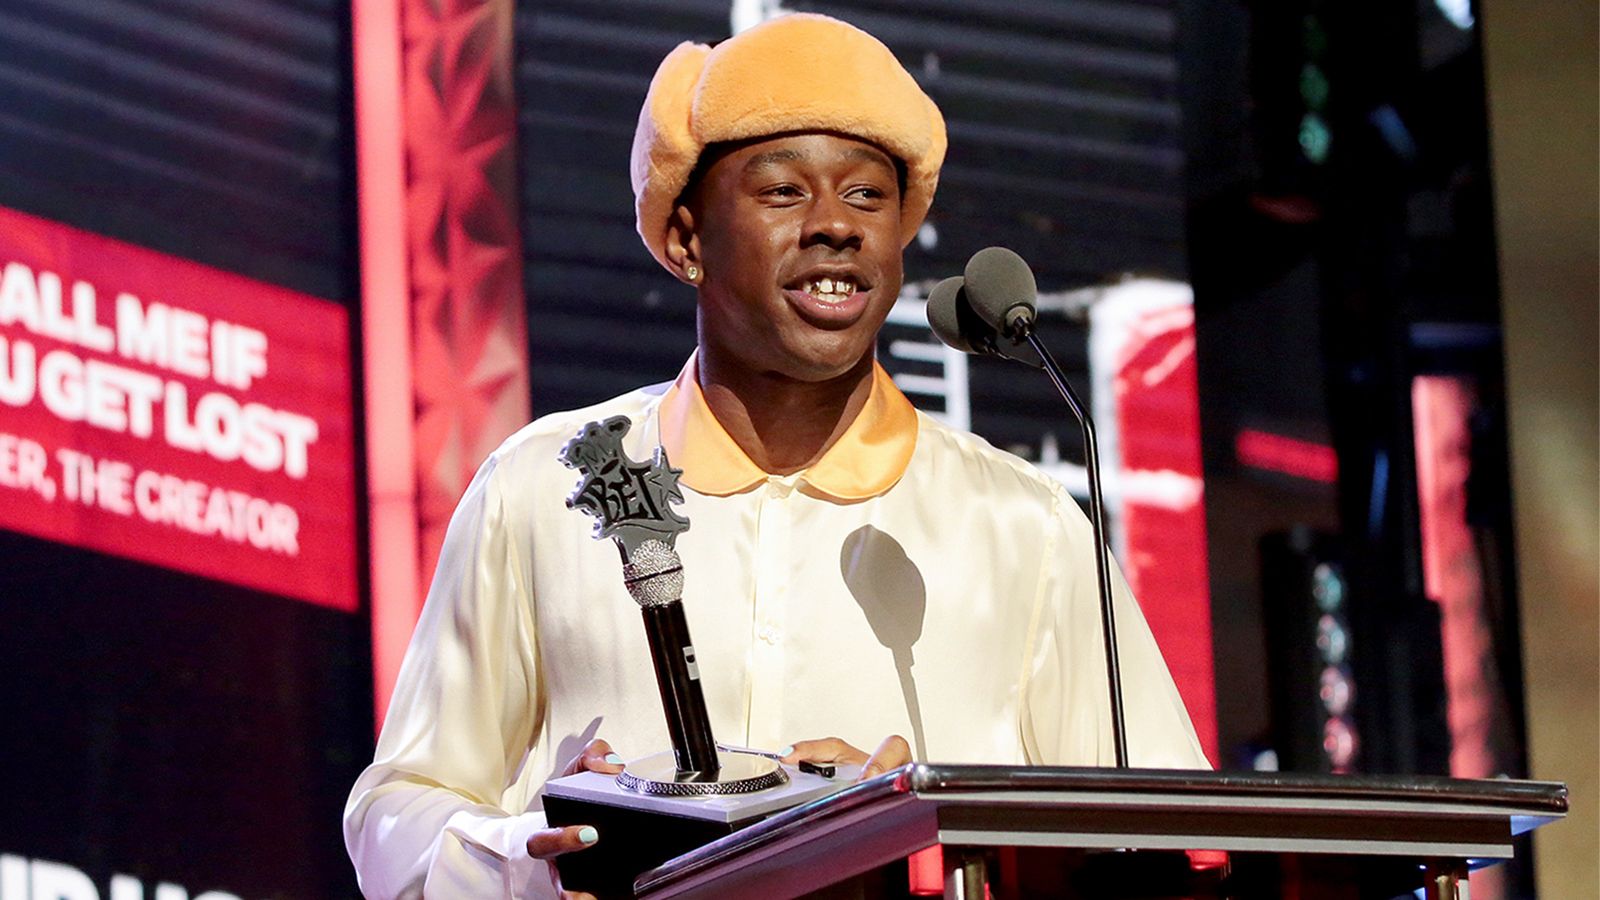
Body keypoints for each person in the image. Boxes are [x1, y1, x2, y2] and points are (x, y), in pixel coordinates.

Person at [344, 13, 1207, 899]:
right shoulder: (540, 487)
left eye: (867, 197)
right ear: (688, 241)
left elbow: (1167, 854)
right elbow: (392, 820)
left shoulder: (1025, 527)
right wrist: (533, 860)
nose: (835, 225)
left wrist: (918, 843)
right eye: (785, 191)